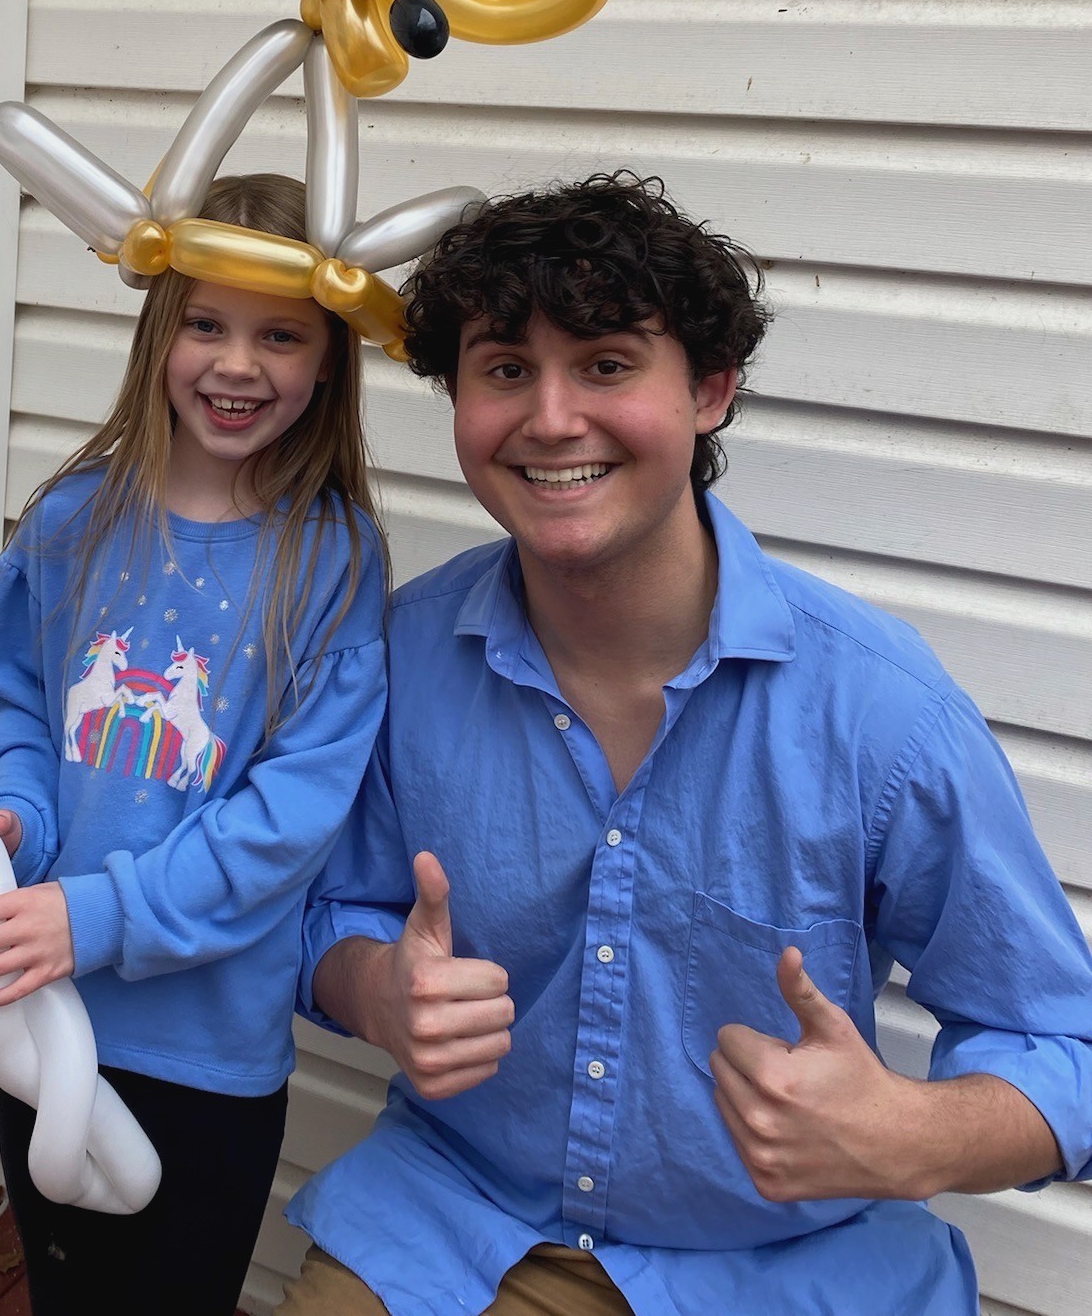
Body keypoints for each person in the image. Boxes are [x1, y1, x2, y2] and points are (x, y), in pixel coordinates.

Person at [281, 174, 1092, 1316]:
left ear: (711, 389)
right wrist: (372, 986)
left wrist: (918, 1131)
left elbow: (1064, 1037)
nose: (552, 418)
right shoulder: (402, 654)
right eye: (505, 367)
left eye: (607, 363)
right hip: (457, 1222)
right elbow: (318, 908)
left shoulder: (880, 711)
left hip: (782, 1267)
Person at [0, 172, 387, 1316]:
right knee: (66, 1289)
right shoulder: (70, 520)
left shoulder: (334, 560)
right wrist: (13, 823)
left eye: (281, 334)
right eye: (206, 322)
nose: (238, 364)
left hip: (206, 1055)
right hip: (40, 1019)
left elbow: (287, 821)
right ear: (159, 331)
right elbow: (20, 711)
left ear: (330, 357)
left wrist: (90, 916)